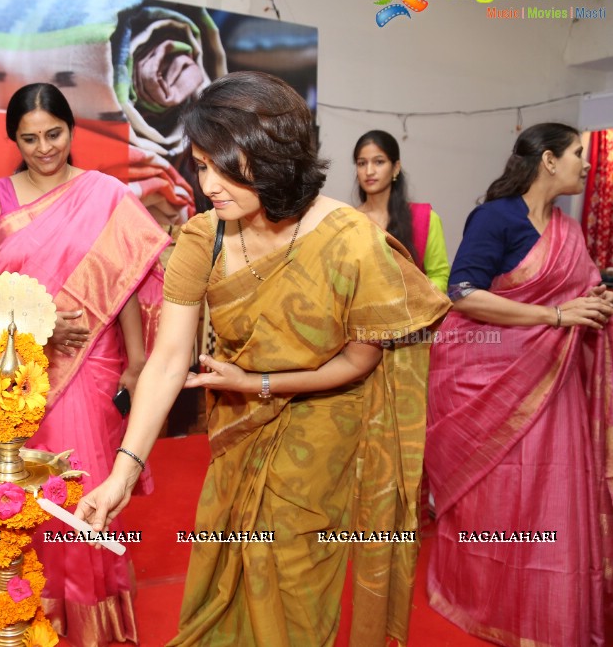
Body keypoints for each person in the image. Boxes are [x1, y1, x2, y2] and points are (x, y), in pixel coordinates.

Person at [75, 71, 451, 646]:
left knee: (295, 589)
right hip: (237, 437)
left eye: (226, 166)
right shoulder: (205, 237)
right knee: (221, 575)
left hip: (320, 435)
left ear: (276, 157)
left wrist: (259, 383)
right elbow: (169, 358)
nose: (210, 184)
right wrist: (121, 473)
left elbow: (360, 362)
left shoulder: (351, 240)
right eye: (201, 165)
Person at [0, 82, 169, 646]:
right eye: (30, 139)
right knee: (30, 503)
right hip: (26, 372)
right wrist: (40, 318)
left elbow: (125, 282)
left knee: (85, 498)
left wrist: (137, 362)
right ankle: (33, 622)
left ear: (71, 130)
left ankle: (96, 630)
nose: (45, 147)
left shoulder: (104, 193)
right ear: (15, 140)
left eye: (53, 134)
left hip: (96, 365)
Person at [425, 123, 613, 646]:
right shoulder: (496, 217)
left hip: (553, 387)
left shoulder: (566, 230)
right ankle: (485, 598)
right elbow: (461, 291)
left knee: (550, 493)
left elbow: (583, 290)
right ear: (549, 160)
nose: (587, 162)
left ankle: (546, 611)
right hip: (490, 382)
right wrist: (554, 315)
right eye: (578, 153)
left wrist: (597, 304)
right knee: (501, 496)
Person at [354, 129, 450, 292]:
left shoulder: (424, 218)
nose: (369, 171)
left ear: (396, 167)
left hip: (415, 313)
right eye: (362, 163)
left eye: (379, 162)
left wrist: (414, 302)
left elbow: (439, 276)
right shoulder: (349, 221)